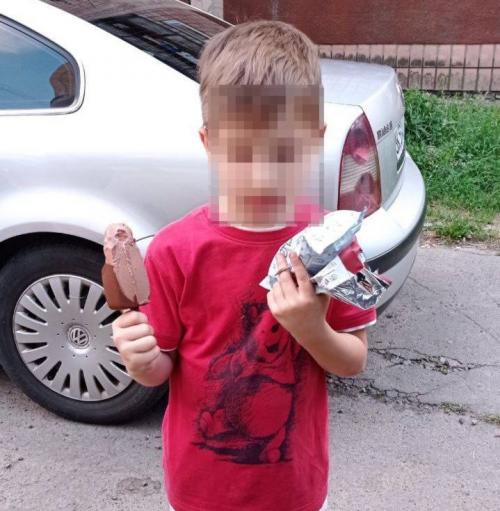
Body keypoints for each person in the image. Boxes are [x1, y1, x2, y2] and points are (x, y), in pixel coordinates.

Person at [111, 19, 377, 511]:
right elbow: (161, 369)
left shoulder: (330, 244)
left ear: (316, 138)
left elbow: (352, 360)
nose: (262, 175)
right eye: (241, 153)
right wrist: (141, 361)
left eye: (284, 152)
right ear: (209, 142)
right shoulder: (175, 251)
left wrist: (311, 328)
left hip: (293, 487)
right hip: (199, 488)